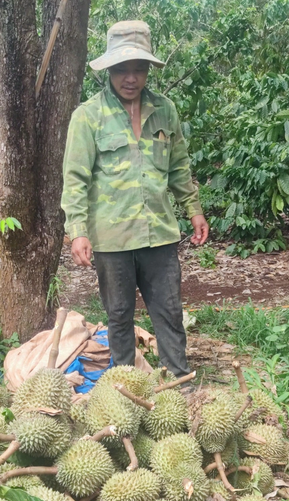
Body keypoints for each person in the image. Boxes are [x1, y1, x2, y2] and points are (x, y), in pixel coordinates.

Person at [60, 20, 208, 378]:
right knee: (119, 315)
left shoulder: (165, 110)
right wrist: (78, 230)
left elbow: (178, 166)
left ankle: (180, 381)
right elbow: (75, 178)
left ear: (147, 70)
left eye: (138, 69)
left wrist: (194, 210)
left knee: (169, 311)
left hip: (158, 232)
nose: (131, 78)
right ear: (109, 70)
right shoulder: (88, 117)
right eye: (122, 70)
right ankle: (125, 387)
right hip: (112, 238)